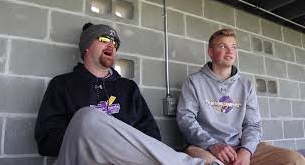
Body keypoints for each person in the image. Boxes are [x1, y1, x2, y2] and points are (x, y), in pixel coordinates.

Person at [34, 22, 207, 165]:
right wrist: (98, 137)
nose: (111, 45)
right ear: (86, 48)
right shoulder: (62, 84)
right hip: (79, 159)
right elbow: (46, 141)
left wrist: (119, 143)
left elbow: (152, 136)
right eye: (103, 39)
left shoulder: (128, 88)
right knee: (87, 117)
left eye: (115, 43)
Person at [177, 29, 305, 165]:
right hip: (205, 147)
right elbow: (185, 119)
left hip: (239, 147)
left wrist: (246, 151)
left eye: (233, 47)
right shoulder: (194, 82)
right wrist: (213, 145)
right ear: (211, 53)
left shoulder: (246, 85)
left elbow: (253, 125)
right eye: (222, 46)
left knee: (294, 160)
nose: (230, 51)